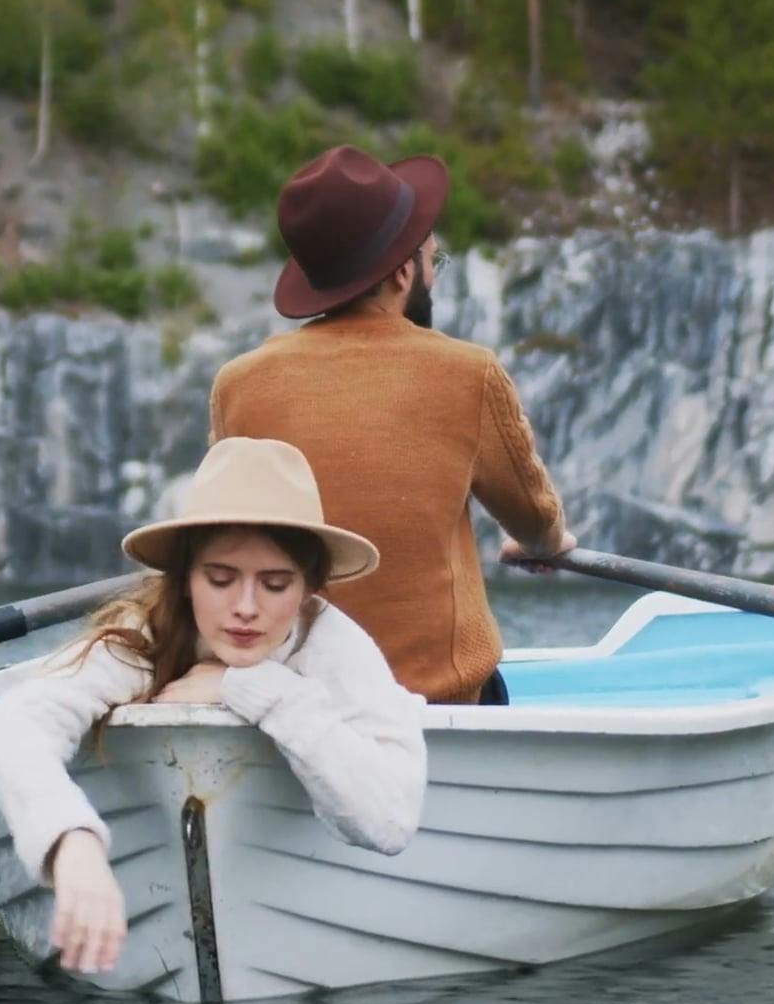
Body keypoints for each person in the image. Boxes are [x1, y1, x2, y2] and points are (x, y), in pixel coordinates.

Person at [0, 436, 427, 976]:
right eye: (220, 579)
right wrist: (73, 846)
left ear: (308, 589)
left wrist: (254, 686)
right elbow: (7, 729)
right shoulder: (140, 638)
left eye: (275, 584)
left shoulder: (334, 646)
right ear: (184, 581)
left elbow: (390, 821)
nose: (246, 609)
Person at [209, 145, 575, 705]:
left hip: (293, 703)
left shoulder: (238, 384)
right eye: (434, 258)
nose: (434, 269)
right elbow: (536, 523)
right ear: (404, 271)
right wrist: (547, 541)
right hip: (440, 703)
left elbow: (219, 540)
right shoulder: (468, 373)